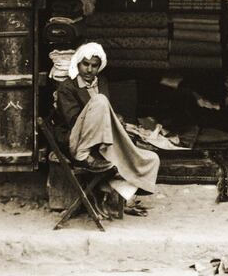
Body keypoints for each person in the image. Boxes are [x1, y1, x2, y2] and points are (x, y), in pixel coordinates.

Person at [54, 43, 160, 204]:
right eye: (85, 64)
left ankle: (122, 191)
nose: (89, 70)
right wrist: (102, 112)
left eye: (94, 66)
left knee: (151, 158)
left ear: (99, 67)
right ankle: (84, 157)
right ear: (78, 63)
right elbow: (74, 121)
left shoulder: (101, 82)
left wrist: (113, 117)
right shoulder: (67, 88)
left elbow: (102, 112)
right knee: (101, 101)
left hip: (100, 139)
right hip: (77, 140)